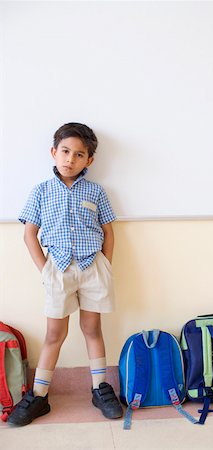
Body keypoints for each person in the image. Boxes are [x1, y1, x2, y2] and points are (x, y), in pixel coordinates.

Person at [8, 122, 123, 426]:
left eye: (79, 154)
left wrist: (106, 265)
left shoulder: (96, 192)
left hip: (92, 268)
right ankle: (40, 395)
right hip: (57, 269)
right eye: (65, 151)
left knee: (91, 328)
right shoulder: (42, 191)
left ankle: (100, 389)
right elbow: (30, 233)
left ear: (89, 160)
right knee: (54, 334)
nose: (70, 159)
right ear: (54, 152)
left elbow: (108, 231)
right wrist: (44, 268)